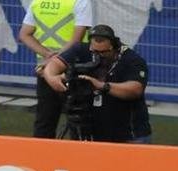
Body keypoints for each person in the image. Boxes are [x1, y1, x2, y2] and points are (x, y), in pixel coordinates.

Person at [42, 23, 151, 143]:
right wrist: (51, 78)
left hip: (128, 132)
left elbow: (135, 89)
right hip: (91, 125)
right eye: (94, 51)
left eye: (103, 53)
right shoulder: (81, 49)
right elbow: (54, 64)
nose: (98, 56)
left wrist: (100, 85)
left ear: (114, 47)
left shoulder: (132, 60)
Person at [18, 0, 93, 139]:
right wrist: (55, 61)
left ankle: (41, 157)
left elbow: (24, 34)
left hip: (46, 71)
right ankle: (80, 157)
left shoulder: (38, 2)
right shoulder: (80, 2)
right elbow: (77, 39)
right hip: (75, 69)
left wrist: (48, 57)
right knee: (80, 121)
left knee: (44, 121)